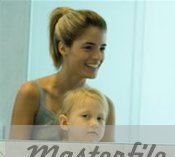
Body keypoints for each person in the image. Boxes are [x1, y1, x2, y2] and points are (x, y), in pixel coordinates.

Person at [9, 6, 115, 141]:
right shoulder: (31, 93)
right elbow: (14, 155)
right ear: (63, 48)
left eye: (102, 48)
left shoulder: (106, 105)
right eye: (88, 47)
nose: (98, 56)